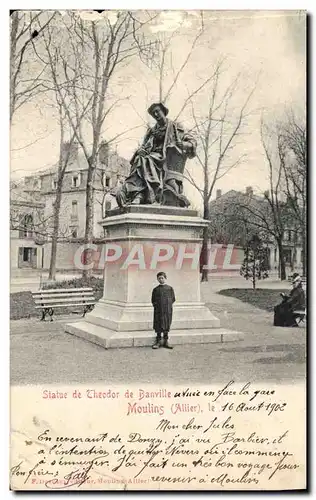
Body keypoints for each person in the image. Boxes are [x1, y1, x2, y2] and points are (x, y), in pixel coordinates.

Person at [116, 102, 197, 208]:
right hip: (152, 155)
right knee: (139, 159)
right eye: (154, 113)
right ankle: (137, 193)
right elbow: (144, 145)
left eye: (157, 111)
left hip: (166, 158)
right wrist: (141, 150)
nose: (156, 114)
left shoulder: (175, 126)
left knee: (146, 160)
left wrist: (183, 144)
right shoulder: (152, 130)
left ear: (163, 111)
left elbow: (192, 141)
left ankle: (143, 194)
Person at [151, 272, 176, 349]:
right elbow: (153, 300)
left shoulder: (170, 288)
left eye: (162, 278)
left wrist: (167, 306)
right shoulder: (156, 289)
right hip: (158, 311)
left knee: (166, 325)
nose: (161, 279)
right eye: (159, 278)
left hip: (167, 311)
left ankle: (166, 341)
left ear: (165, 278)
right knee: (158, 325)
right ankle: (158, 341)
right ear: (157, 279)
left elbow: (173, 299)